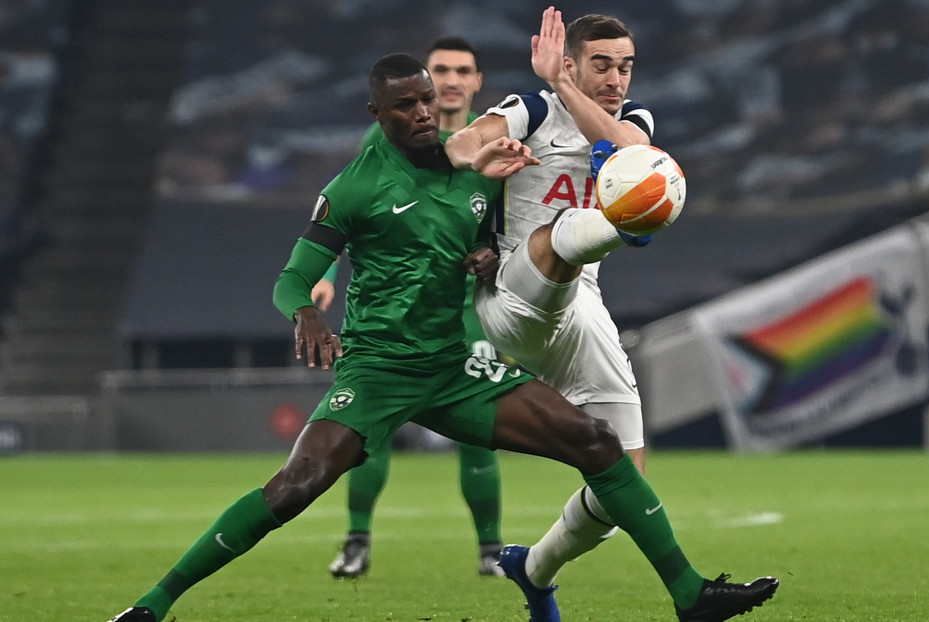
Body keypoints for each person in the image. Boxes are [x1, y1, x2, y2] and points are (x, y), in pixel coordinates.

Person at [106, 52, 777, 622]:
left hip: (452, 368)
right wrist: (305, 314)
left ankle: (690, 595)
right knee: (296, 486)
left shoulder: (478, 178)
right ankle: (152, 606)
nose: (422, 112)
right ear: (379, 115)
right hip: (377, 370)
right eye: (404, 106)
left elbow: (485, 246)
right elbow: (292, 277)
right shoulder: (355, 188)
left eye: (427, 100)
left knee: (596, 443)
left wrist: (488, 257)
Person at [445, 7, 706, 618]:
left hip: (579, 307)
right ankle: (619, 228)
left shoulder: (631, 123)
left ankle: (533, 569)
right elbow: (457, 144)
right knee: (565, 231)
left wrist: (566, 84)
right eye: (601, 65)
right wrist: (485, 154)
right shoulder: (530, 110)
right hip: (512, 291)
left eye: (626, 66)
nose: (617, 79)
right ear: (570, 62)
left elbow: (635, 152)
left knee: (624, 489)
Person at [317, 36, 509, 580]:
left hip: (468, 309)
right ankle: (357, 540)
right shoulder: (379, 142)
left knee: (481, 430)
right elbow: (342, 212)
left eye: (461, 71)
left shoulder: (490, 140)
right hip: (394, 313)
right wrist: (326, 277)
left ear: (475, 83)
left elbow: (508, 226)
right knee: (368, 430)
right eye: (440, 69)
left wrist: (493, 253)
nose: (449, 80)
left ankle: (490, 549)